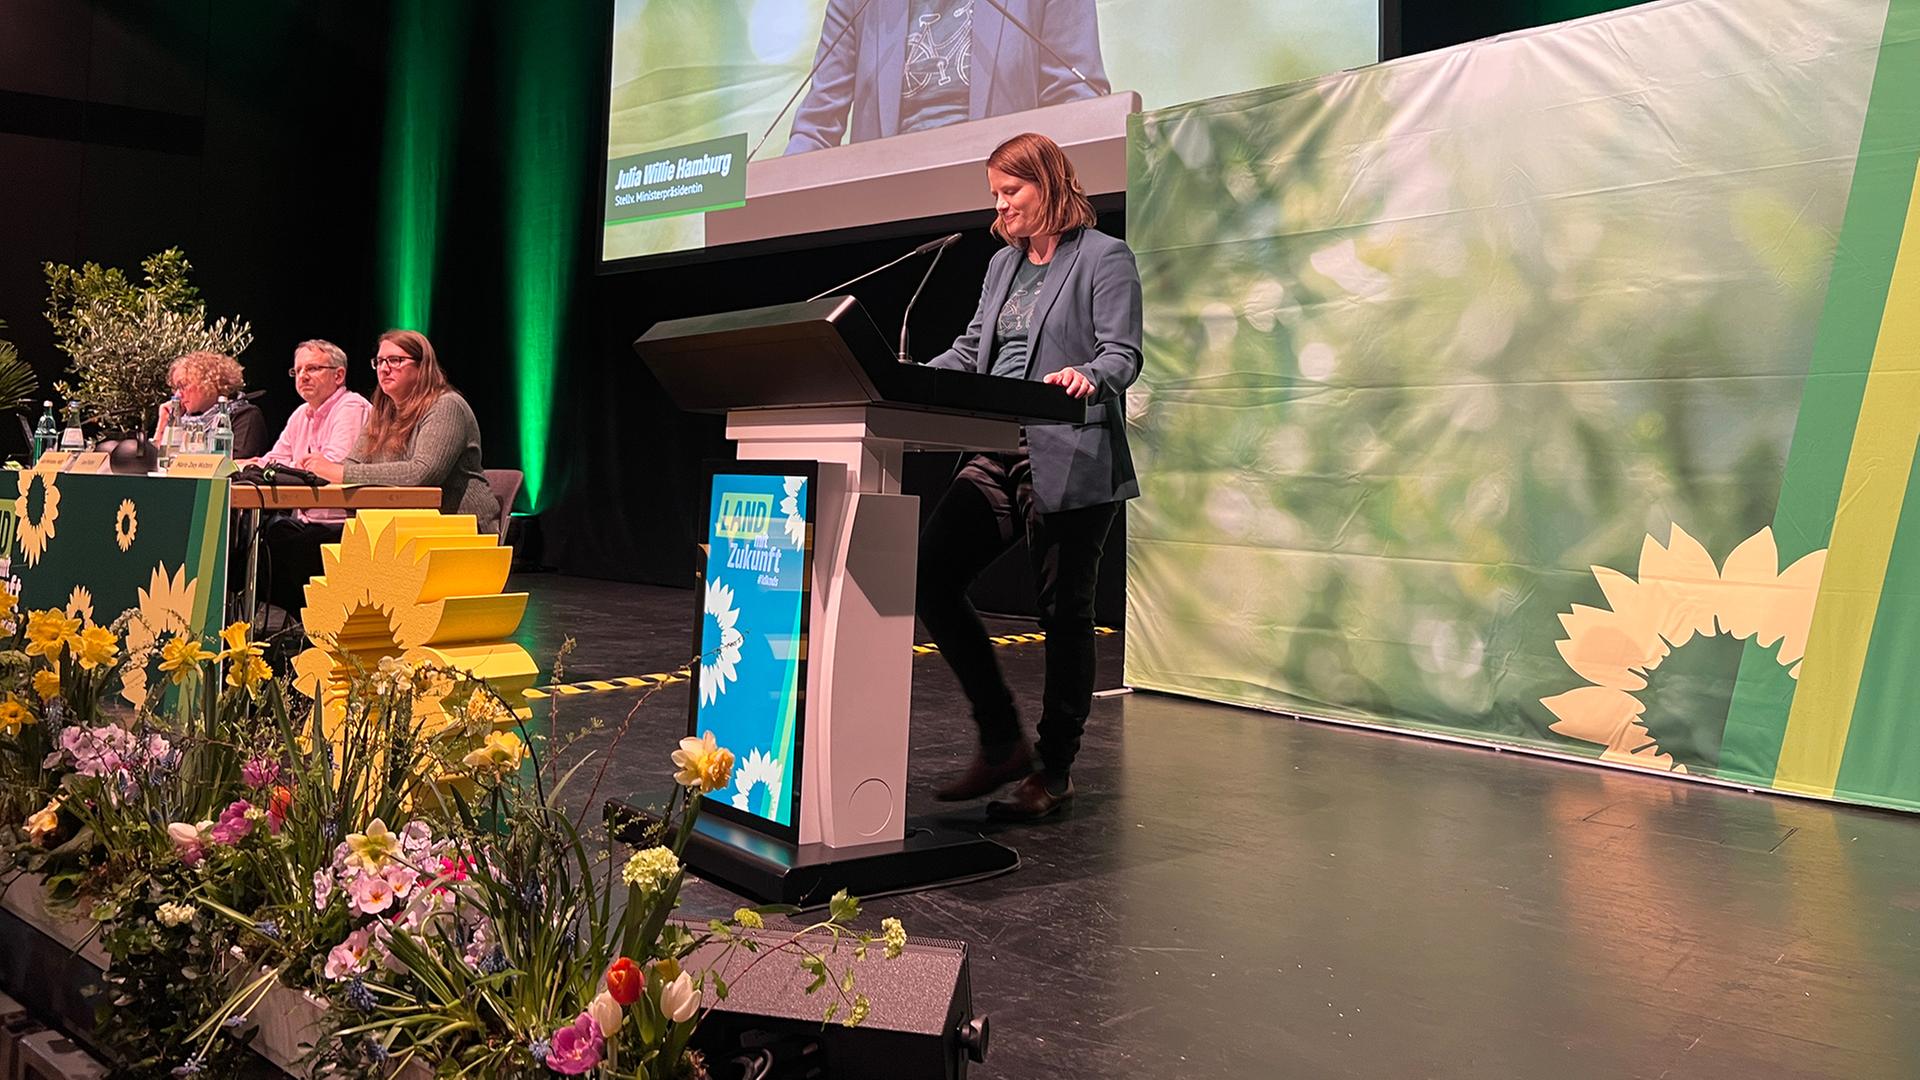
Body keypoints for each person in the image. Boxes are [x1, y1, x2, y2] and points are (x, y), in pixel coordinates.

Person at [917, 131, 1141, 820]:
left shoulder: (1104, 257)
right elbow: (971, 348)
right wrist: (901, 377)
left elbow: (1123, 352)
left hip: (1070, 448)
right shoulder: (1000, 265)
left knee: (1063, 614)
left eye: (1011, 191)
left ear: (1048, 183)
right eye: (995, 195)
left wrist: (1088, 375)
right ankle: (1001, 741)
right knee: (930, 576)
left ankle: (1056, 768)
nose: (1002, 206)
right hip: (995, 447)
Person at [265, 331, 495, 619]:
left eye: (396, 360)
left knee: (305, 554)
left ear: (422, 366)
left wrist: (340, 471)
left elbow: (421, 473)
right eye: (380, 361)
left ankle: (327, 635)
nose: (385, 368)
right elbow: (350, 463)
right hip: (396, 532)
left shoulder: (446, 406)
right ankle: (323, 635)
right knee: (276, 549)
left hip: (454, 532)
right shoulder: (384, 413)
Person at [785, 0, 1109, 155]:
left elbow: (1077, 102)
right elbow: (815, 129)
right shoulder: (858, 4)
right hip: (884, 208)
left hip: (1008, 205)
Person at [155, 350, 269, 459]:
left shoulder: (245, 416)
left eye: (183, 386)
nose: (178, 395)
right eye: (176, 388)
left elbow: (234, 466)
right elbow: (159, 464)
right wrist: (164, 423)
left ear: (209, 382)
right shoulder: (184, 420)